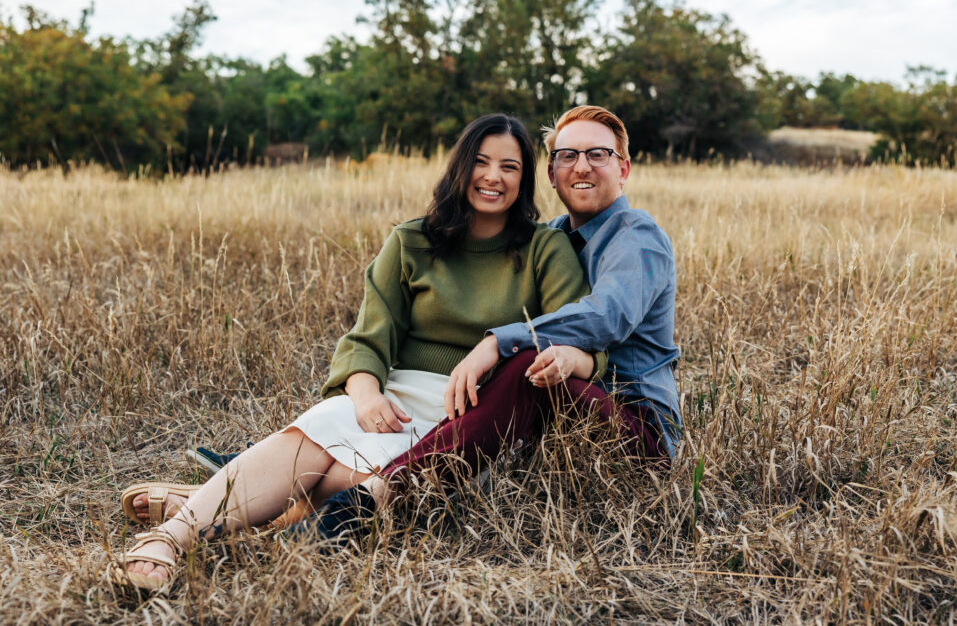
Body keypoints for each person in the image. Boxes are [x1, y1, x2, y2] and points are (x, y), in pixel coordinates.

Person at [112, 113, 607, 591]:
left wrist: (560, 360)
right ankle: (168, 540)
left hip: (471, 418)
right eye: (481, 161)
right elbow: (367, 339)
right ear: (460, 167)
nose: (493, 177)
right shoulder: (411, 241)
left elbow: (576, 339)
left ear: (526, 179)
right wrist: (368, 398)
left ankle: (222, 503)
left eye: (509, 166)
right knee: (324, 424)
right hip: (391, 398)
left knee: (365, 480)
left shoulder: (546, 249)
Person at [292, 105, 681, 543]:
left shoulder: (637, 235)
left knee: (526, 365)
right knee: (528, 373)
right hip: (552, 429)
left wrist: (498, 343)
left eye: (599, 154)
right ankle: (292, 485)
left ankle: (374, 498)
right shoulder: (551, 239)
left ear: (623, 169)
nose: (582, 166)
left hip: (632, 429)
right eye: (567, 156)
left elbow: (607, 317)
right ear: (551, 174)